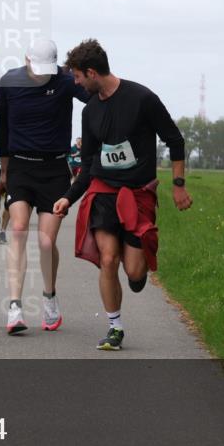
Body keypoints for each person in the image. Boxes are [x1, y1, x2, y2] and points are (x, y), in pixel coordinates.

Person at [53, 39, 192, 351]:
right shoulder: (90, 112)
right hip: (103, 192)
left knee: (134, 271)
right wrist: (68, 197)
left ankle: (138, 272)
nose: (75, 83)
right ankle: (115, 327)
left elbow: (175, 140)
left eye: (77, 77)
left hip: (137, 194)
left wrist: (179, 184)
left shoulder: (142, 99)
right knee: (107, 259)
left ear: (91, 72)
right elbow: (88, 164)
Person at [0, 38, 89, 334]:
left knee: (46, 241)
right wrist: (4, 171)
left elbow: (97, 95)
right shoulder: (8, 82)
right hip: (20, 166)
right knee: (19, 229)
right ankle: (14, 306)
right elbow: (3, 127)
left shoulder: (65, 80)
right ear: (26, 60)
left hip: (54, 168)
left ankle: (49, 295)